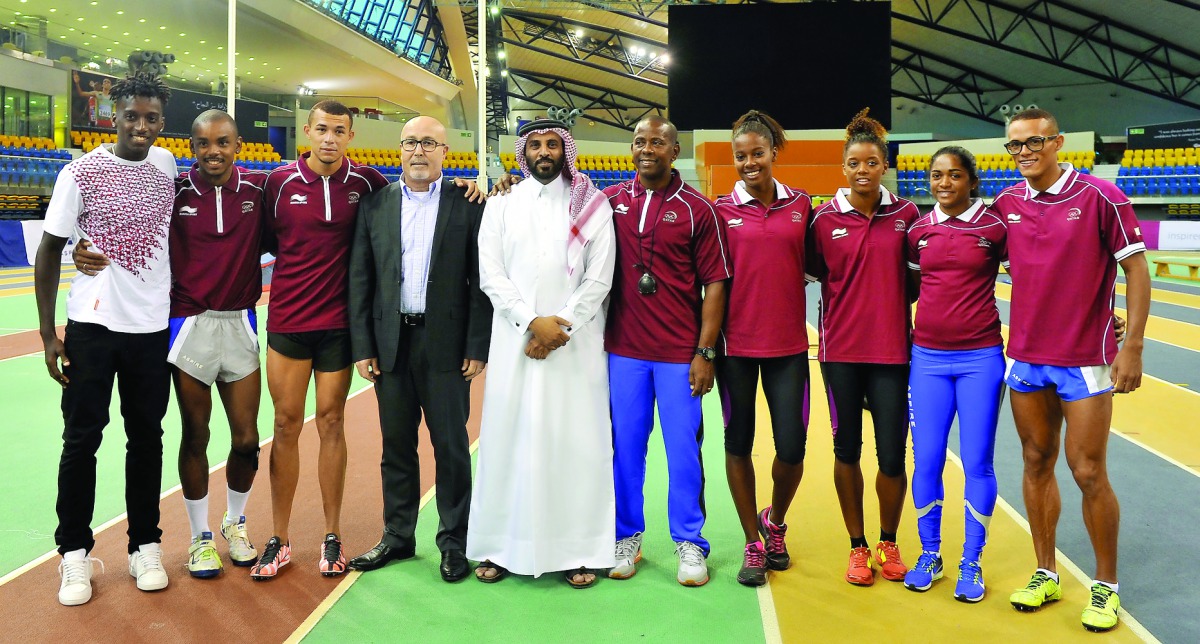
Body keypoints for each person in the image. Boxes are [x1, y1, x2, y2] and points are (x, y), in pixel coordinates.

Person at [70, 110, 267, 580]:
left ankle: (235, 522)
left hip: (239, 321)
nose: (213, 151)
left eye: (222, 142)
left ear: (238, 145)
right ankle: (201, 539)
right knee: (195, 434)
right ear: (190, 147)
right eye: (203, 143)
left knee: (246, 439)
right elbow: (114, 218)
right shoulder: (171, 190)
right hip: (187, 323)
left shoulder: (261, 190)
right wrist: (77, 243)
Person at [994, 108, 1149, 632]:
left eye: (1034, 142)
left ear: (1057, 142)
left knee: (1087, 471)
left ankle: (1106, 586)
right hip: (1026, 357)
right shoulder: (1006, 204)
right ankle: (1045, 572)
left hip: (1084, 359)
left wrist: (1133, 346)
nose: (1024, 152)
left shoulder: (1102, 196)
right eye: (1015, 145)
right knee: (1036, 461)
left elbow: (1136, 268)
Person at [35, 72, 176, 606]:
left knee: (147, 440)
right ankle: (74, 554)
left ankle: (145, 545)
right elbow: (49, 250)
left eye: (151, 118)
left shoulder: (166, 165)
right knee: (81, 441)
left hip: (150, 329)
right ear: (113, 117)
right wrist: (48, 333)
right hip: (92, 329)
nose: (141, 126)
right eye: (131, 116)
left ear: (162, 122)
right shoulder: (80, 173)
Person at [467, 118, 616, 588]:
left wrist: (559, 326)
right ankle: (499, 548)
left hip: (575, 345)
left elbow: (599, 278)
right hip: (515, 342)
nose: (544, 152)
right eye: (535, 145)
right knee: (508, 443)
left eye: (553, 144)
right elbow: (491, 274)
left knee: (576, 445)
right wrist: (532, 322)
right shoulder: (501, 203)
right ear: (523, 152)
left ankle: (578, 551)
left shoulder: (593, 206)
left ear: (565, 150)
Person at [347, 116, 492, 583]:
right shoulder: (375, 204)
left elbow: (481, 282)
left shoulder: (469, 205)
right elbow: (361, 279)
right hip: (391, 342)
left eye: (429, 143)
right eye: (411, 142)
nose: (419, 151)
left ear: (445, 152)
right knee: (396, 446)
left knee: (451, 447)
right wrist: (364, 345)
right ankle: (398, 536)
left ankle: (454, 542)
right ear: (400, 149)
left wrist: (477, 344)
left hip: (446, 344)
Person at [253, 100, 389, 580]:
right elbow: (265, 240)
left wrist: (465, 185)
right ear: (307, 131)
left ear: (350, 136)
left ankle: (333, 535)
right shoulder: (278, 183)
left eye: (339, 130)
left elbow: (409, 210)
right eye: (322, 129)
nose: (330, 138)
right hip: (289, 322)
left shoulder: (368, 183)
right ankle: (279, 538)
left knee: (332, 422)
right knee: (285, 424)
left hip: (339, 327)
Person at [605, 116, 730, 587]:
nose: (647, 149)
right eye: (639, 141)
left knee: (683, 453)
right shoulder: (610, 201)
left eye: (657, 142)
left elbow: (715, 284)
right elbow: (561, 204)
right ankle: (625, 536)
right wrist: (505, 185)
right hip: (624, 351)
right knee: (625, 451)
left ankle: (690, 542)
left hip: (680, 354)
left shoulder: (700, 210)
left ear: (674, 151)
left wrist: (705, 352)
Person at [806, 108, 920, 587]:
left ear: (884, 166)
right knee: (846, 448)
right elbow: (810, 276)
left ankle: (888, 541)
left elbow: (917, 283)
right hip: (840, 355)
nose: (863, 171)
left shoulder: (907, 215)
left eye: (872, 163)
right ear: (843, 167)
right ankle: (857, 545)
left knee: (892, 455)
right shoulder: (822, 219)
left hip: (893, 353)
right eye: (854, 163)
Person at [712, 110, 812, 587]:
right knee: (738, 443)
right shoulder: (719, 210)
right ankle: (752, 541)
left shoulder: (802, 205)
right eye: (741, 156)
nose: (749, 162)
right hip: (735, 348)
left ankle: (775, 522)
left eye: (757, 153)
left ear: (774, 152)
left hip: (789, 347)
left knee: (792, 447)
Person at [902, 147, 1007, 602]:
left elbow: (1036, 279)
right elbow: (910, 287)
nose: (944, 183)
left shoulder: (994, 227)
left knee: (978, 462)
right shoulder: (918, 230)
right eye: (937, 175)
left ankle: (972, 561)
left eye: (955, 175)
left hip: (981, 359)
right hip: (926, 360)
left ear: (971, 181)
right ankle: (930, 554)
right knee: (927, 460)